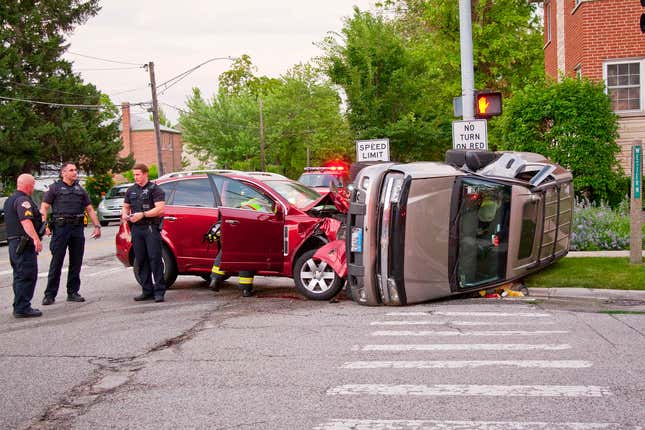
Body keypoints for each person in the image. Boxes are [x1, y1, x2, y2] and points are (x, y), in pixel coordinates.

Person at [39, 163, 101, 305]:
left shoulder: (80, 189)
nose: (75, 172)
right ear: (63, 173)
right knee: (57, 261)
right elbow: (44, 207)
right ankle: (49, 294)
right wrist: (44, 225)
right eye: (71, 170)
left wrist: (97, 225)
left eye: (75, 170)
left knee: (76, 261)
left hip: (77, 228)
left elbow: (90, 209)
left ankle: (72, 292)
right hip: (61, 228)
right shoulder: (55, 188)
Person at [121, 163, 167, 302]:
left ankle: (159, 291)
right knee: (141, 260)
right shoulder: (131, 190)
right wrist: (124, 214)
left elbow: (160, 209)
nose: (135, 177)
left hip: (150, 228)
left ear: (146, 174)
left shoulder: (155, 190)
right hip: (137, 229)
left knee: (155, 259)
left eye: (138, 174)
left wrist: (143, 214)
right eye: (134, 175)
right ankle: (147, 290)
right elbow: (125, 206)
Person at [4, 174, 44, 318]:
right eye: (33, 184)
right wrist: (35, 239)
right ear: (28, 185)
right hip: (23, 243)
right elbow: (25, 221)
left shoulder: (10, 199)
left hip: (15, 244)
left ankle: (20, 305)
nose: (34, 188)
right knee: (26, 274)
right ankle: (22, 308)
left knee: (19, 275)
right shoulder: (22, 200)